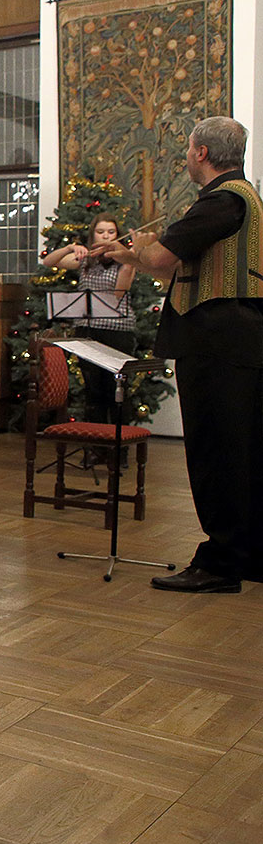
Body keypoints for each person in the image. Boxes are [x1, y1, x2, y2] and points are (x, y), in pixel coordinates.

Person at [99, 116, 262, 593]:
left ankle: (220, 562)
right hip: (239, 339)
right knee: (243, 451)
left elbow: (160, 261)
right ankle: (247, 554)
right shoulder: (243, 198)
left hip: (218, 342)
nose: (187, 157)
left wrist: (134, 252)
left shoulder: (221, 201)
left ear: (202, 154)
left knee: (216, 451)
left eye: (189, 150)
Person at [43, 214, 137, 423]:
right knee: (93, 389)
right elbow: (49, 261)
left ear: (117, 235)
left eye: (111, 232)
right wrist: (70, 248)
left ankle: (118, 445)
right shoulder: (86, 260)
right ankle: (95, 447)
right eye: (100, 232)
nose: (105, 236)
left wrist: (128, 259)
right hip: (87, 330)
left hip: (117, 331)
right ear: (93, 234)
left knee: (117, 388)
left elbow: (120, 292)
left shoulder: (124, 261)